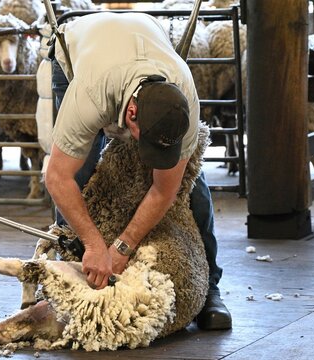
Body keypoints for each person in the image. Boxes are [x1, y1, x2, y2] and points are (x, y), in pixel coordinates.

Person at [44, 12, 232, 330]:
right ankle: (73, 275)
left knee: (193, 184)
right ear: (130, 114)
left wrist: (122, 246)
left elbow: (165, 189)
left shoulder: (183, 98)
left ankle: (210, 287)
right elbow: (56, 177)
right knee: (81, 174)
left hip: (142, 44)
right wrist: (93, 244)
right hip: (78, 55)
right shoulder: (90, 93)